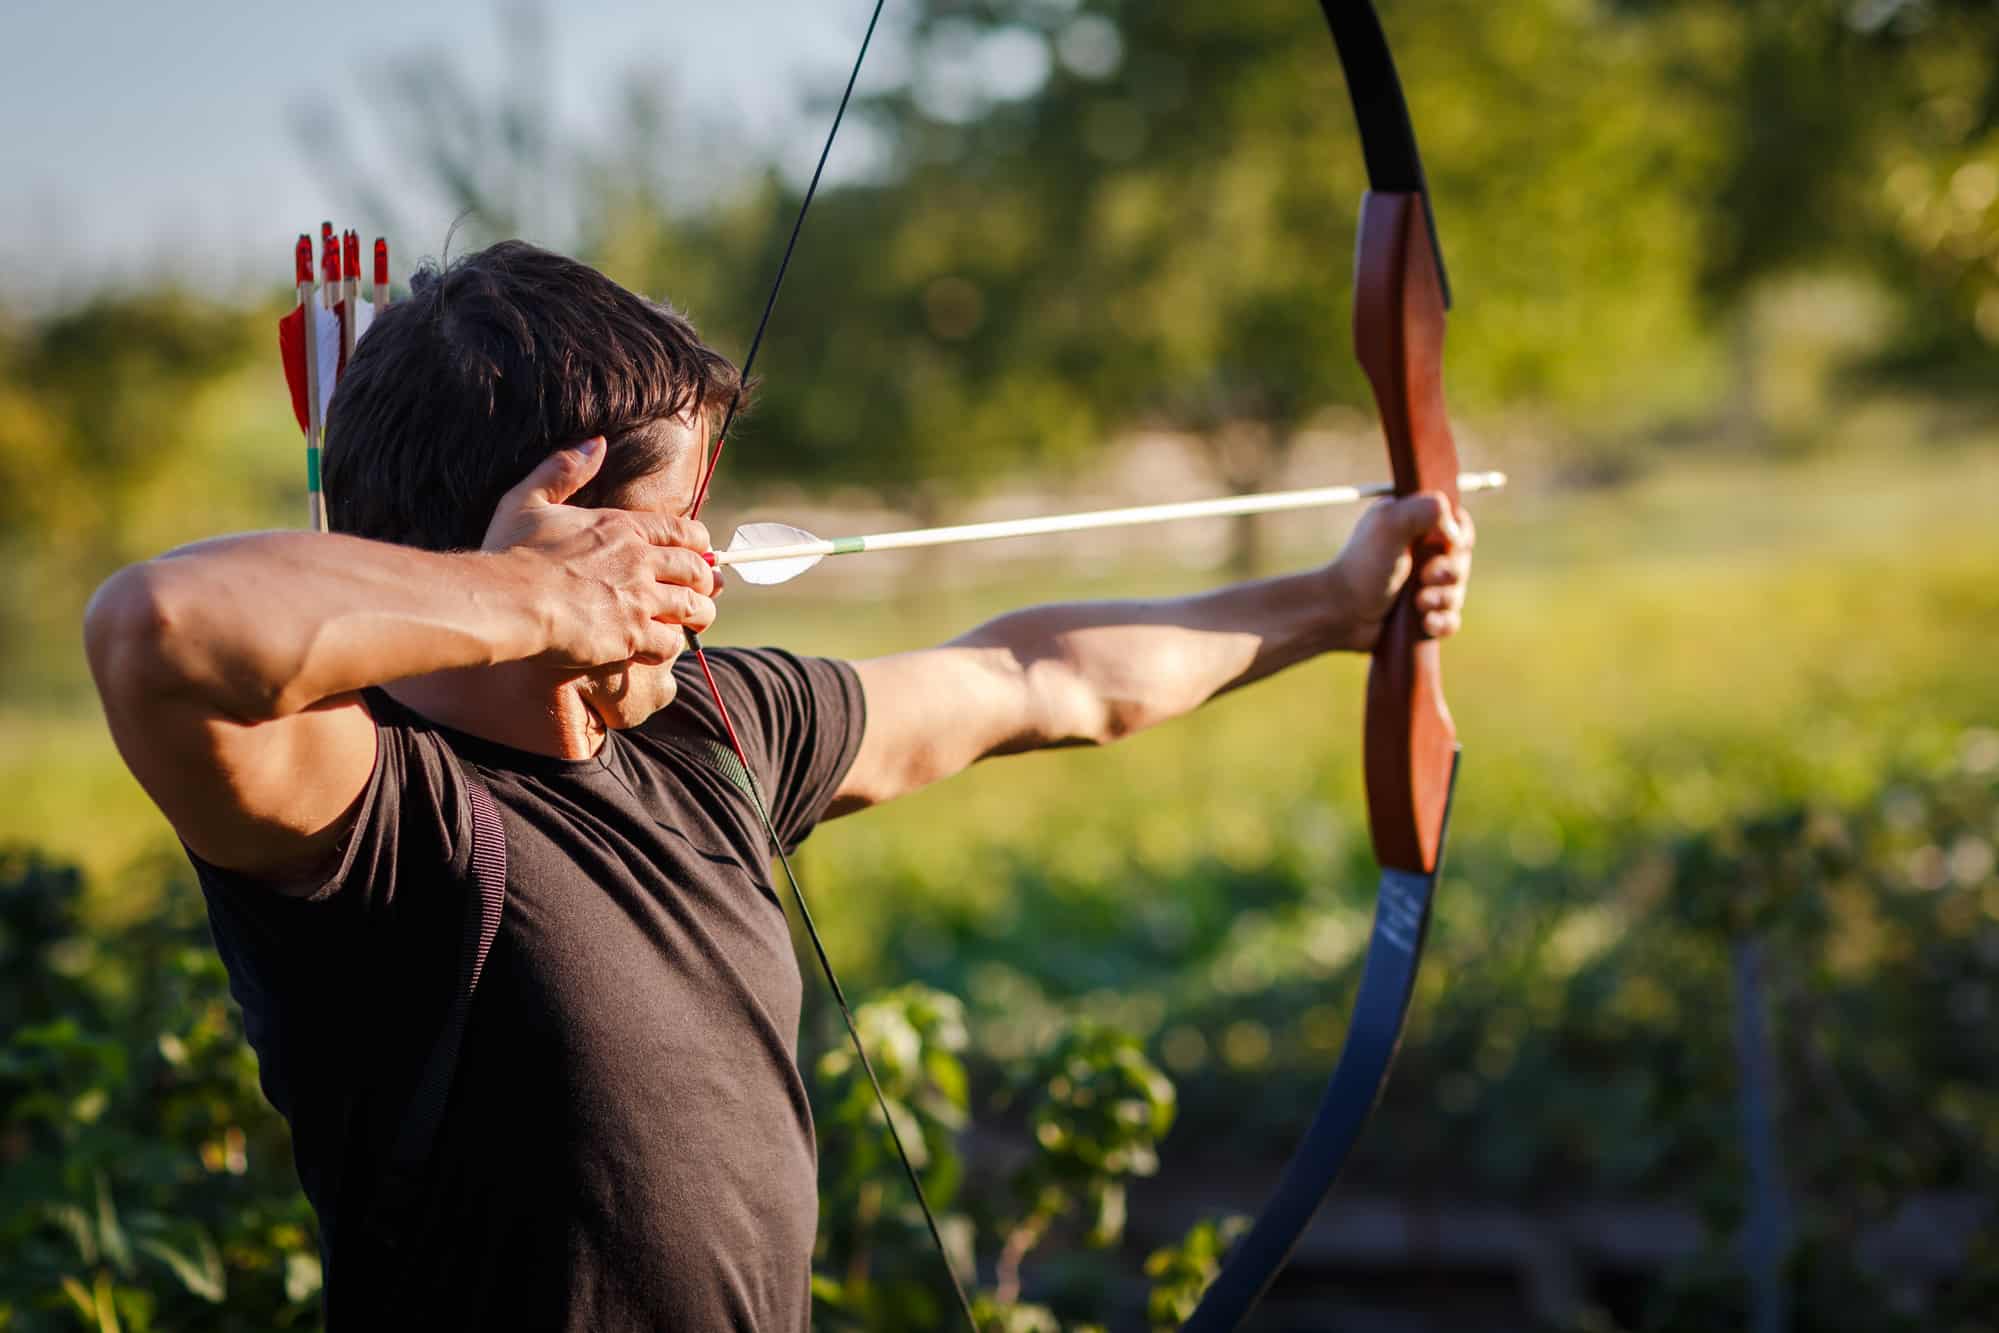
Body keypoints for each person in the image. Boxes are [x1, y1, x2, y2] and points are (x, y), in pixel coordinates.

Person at [83, 241, 1475, 1331]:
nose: (708, 561)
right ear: (567, 537)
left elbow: (1038, 676)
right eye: (677, 521)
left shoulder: (714, 728)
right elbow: (155, 630)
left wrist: (1340, 603)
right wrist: (526, 600)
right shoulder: (378, 812)